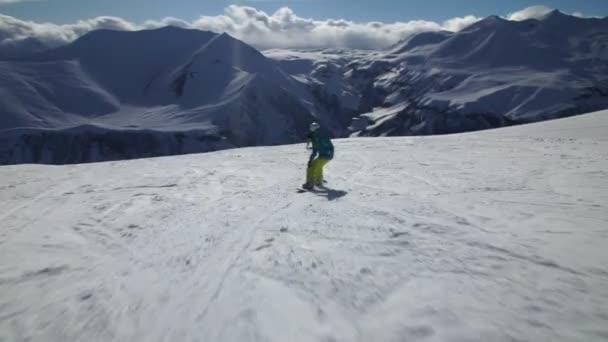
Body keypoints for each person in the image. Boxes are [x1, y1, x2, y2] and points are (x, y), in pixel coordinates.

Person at [302, 122, 334, 190]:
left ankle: (310, 183)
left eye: (311, 128)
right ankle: (318, 181)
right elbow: (316, 149)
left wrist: (310, 160)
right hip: (328, 155)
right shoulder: (318, 135)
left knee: (311, 166)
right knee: (318, 166)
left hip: (325, 155)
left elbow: (315, 150)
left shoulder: (316, 137)